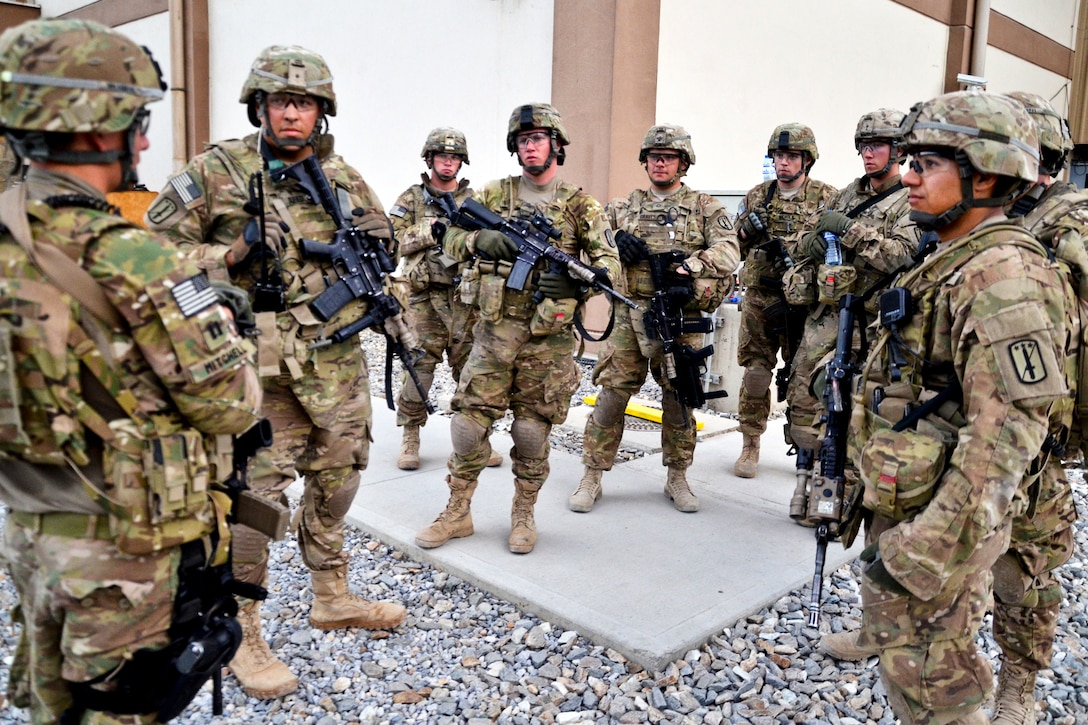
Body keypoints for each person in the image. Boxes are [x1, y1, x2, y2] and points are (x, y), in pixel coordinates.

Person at [0, 18, 262, 722]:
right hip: (120, 547)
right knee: (117, 708)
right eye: (135, 121)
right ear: (92, 128)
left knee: (50, 701)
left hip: (29, 528)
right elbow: (231, 406)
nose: (143, 140)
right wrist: (231, 335)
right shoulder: (135, 260)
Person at [146, 45, 406, 700]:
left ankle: (331, 592)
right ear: (260, 105)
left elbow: (385, 241)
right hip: (259, 367)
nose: (293, 112)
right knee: (257, 496)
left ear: (322, 111)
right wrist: (231, 252)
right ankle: (244, 624)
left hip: (335, 360)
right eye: (281, 101)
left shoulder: (341, 174)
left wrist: (377, 248)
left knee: (342, 472)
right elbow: (154, 258)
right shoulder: (216, 169)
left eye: (305, 102)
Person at [845, 90, 1074, 725]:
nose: (908, 175)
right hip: (917, 499)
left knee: (934, 684)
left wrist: (924, 548)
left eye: (930, 163)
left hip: (946, 526)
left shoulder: (1002, 276)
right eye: (910, 159)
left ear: (988, 174)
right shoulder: (955, 255)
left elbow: (1005, 439)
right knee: (912, 666)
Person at [414, 102, 621, 554]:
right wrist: (476, 239)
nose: (531, 146)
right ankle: (457, 511)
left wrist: (574, 280)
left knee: (531, 431)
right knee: (467, 424)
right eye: (524, 141)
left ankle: (523, 514)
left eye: (539, 139)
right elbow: (445, 235)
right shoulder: (493, 195)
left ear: (556, 145)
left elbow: (610, 269)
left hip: (548, 341)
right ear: (516, 148)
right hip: (492, 333)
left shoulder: (581, 206)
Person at [569, 124, 738, 513]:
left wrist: (690, 270)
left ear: (683, 163)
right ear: (645, 161)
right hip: (631, 316)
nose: (660, 163)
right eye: (654, 156)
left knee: (679, 401)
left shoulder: (704, 208)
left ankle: (677, 476)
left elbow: (729, 251)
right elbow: (591, 245)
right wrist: (614, 244)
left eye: (669, 157)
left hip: (679, 318)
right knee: (611, 395)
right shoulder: (621, 208)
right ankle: (592, 474)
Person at [786, 110, 919, 525]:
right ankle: (804, 482)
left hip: (870, 324)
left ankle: (836, 500)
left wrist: (847, 230)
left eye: (876, 145)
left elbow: (901, 253)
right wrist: (811, 241)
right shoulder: (846, 194)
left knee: (850, 412)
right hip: (826, 315)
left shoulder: (908, 199)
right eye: (862, 146)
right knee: (805, 401)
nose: (867, 153)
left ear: (898, 150)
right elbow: (801, 240)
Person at [389, 127, 501, 470]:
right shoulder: (411, 199)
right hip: (424, 299)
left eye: (454, 157)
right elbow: (391, 241)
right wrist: (430, 230)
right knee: (419, 368)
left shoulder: (474, 201)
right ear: (429, 159)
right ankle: (410, 434)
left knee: (471, 372)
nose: (448, 162)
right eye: (442, 156)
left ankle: (476, 440)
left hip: (465, 298)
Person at [732, 124, 836, 478]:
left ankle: (805, 447)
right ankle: (750, 443)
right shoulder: (757, 196)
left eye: (792, 156)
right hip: (761, 297)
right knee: (757, 373)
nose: (784, 163)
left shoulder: (826, 197)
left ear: (807, 160)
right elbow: (733, 246)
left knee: (803, 377)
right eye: (779, 156)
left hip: (803, 304)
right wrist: (746, 231)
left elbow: (837, 249)